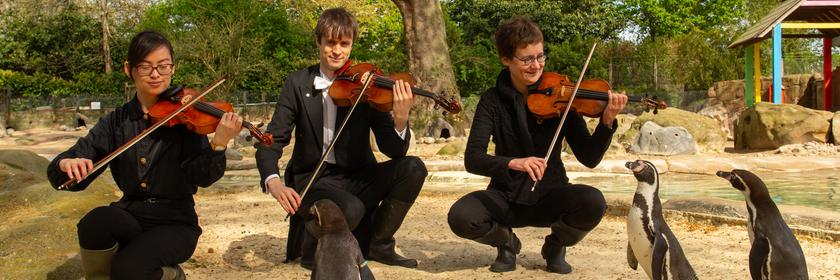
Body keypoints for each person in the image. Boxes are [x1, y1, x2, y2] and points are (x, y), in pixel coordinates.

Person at [46, 30, 243, 280]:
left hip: (176, 223)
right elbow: (67, 168)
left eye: (163, 66)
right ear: (129, 69)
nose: (155, 74)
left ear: (173, 68)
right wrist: (66, 163)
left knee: (129, 269)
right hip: (132, 214)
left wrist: (220, 144)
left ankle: (169, 275)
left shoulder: (185, 115)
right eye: (145, 66)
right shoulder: (117, 121)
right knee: (94, 223)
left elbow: (201, 176)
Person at [446, 16, 628, 274]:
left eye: (541, 56)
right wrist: (513, 163)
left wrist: (606, 123)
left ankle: (555, 246)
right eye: (527, 59)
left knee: (593, 202)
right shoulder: (491, 101)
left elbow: (589, 157)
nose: (536, 65)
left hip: (551, 194)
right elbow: (473, 159)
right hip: (505, 196)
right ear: (506, 59)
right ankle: (506, 242)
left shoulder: (563, 97)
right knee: (461, 217)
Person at [255, 7, 427, 269]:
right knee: (352, 208)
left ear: (352, 45)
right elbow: (272, 139)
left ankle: (379, 245)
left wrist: (400, 118)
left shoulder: (368, 85)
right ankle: (314, 246)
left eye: (344, 44)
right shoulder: (297, 83)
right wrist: (273, 181)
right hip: (314, 178)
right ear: (319, 42)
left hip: (357, 176)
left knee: (413, 168)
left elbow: (393, 151)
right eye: (330, 43)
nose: (337, 51)